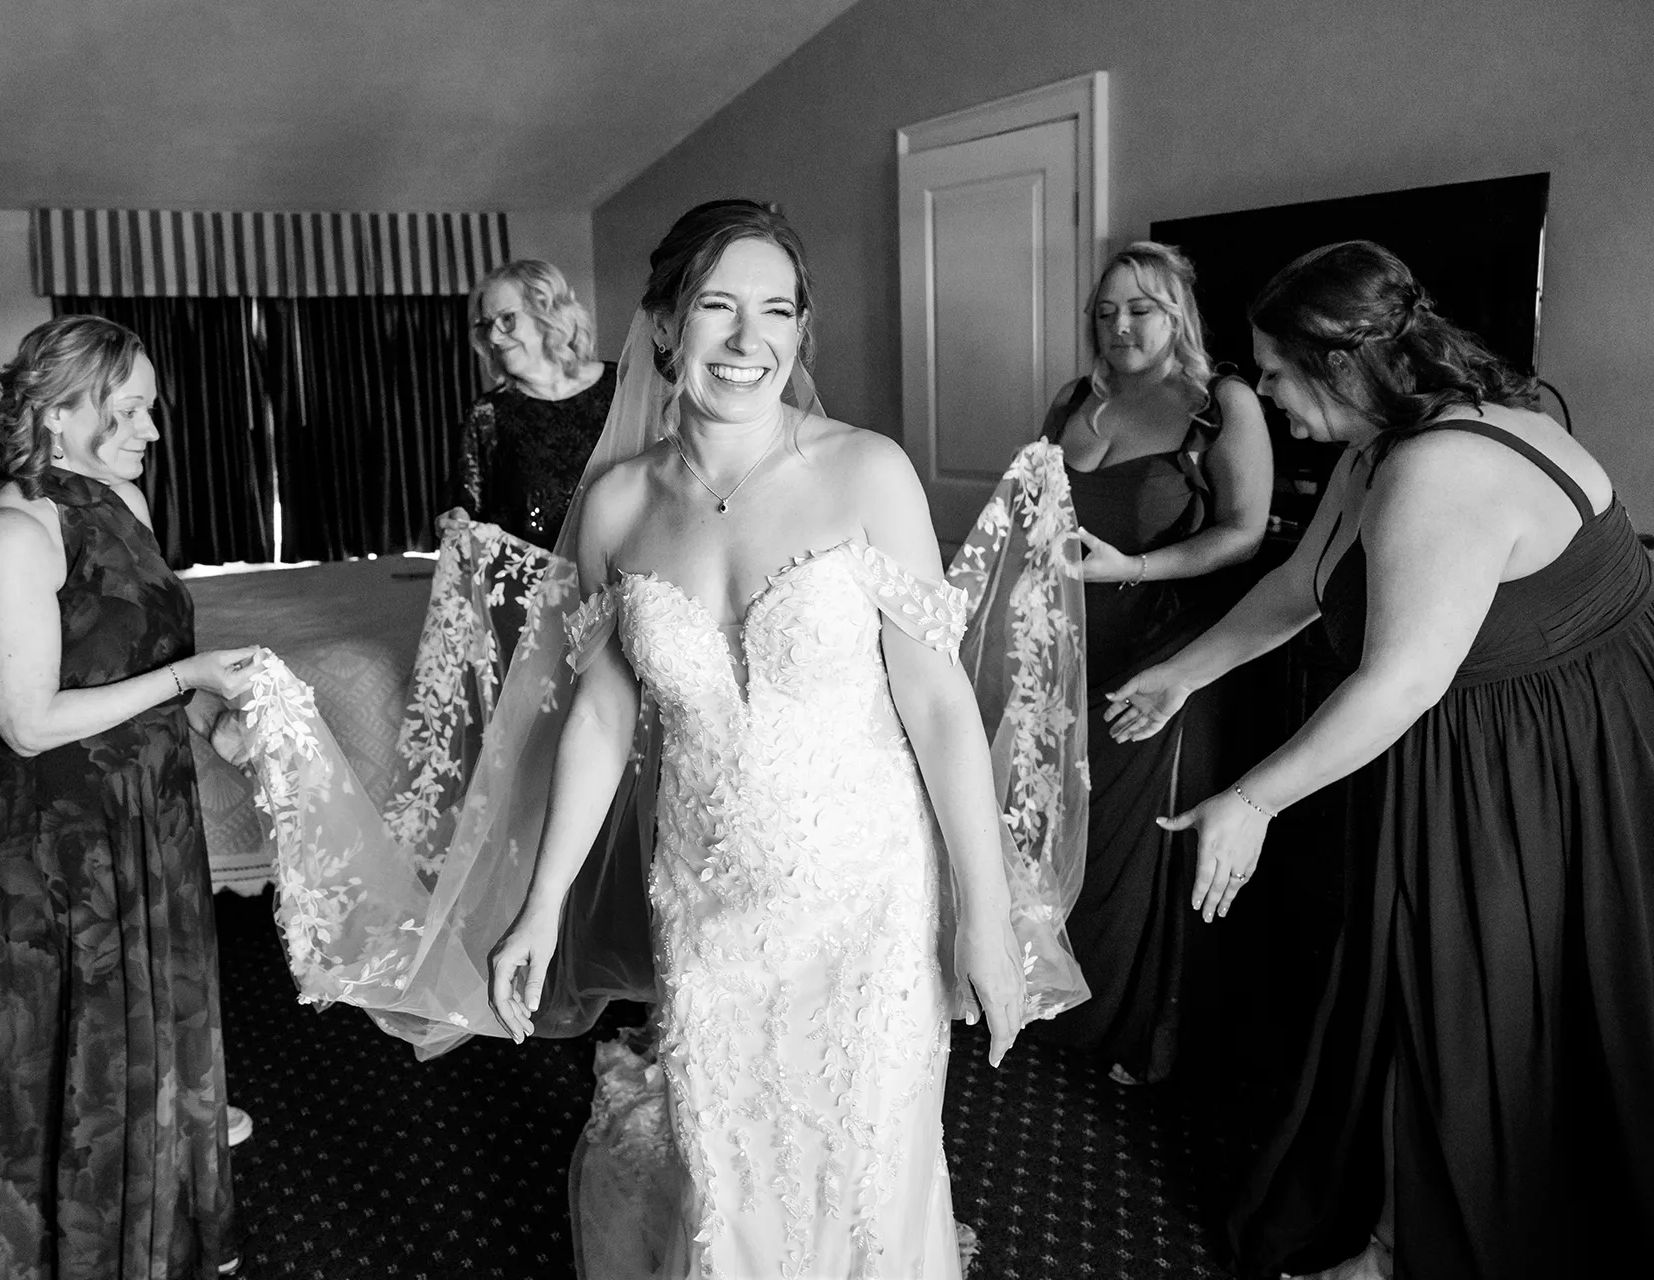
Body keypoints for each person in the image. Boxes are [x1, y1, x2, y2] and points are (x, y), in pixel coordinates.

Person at [485, 199, 1086, 1278]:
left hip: (867, 894)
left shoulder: (867, 472)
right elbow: (604, 711)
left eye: (775, 311)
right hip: (707, 900)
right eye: (717, 306)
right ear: (664, 326)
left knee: (866, 1168)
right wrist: (540, 904)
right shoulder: (618, 502)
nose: (748, 340)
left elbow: (942, 707)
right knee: (733, 1169)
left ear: (802, 332)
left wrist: (989, 921)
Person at [1107, 241, 1654, 1279]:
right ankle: (1396, 1235)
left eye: (1271, 371)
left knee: (1479, 1007)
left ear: (1340, 362)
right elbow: (1307, 586)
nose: (1258, 392)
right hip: (1475, 736)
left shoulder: (1440, 470)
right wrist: (1185, 672)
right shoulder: (1378, 451)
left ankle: (1418, 1250)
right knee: (1421, 993)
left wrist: (1253, 798)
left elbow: (1401, 680)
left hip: (1549, 760)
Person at [0, 315, 260, 1279]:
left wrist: (213, 723)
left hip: (150, 812)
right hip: (59, 835)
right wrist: (188, 678)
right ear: (48, 405)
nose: (150, 431)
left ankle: (160, 1237)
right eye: (125, 411)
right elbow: (28, 720)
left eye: (149, 410)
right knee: (70, 1052)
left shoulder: (123, 499)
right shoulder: (11, 530)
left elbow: (148, 658)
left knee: (157, 1032)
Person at [1020, 242, 1271, 1085]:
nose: (1119, 326)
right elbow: (1032, 506)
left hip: (1159, 649)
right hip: (1061, 642)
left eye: (1141, 308)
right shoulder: (1073, 400)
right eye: (1104, 311)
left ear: (1179, 313)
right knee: (1052, 819)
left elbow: (1242, 534)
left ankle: (1125, 1028)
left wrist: (1132, 568)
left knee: (1126, 836)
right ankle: (1044, 995)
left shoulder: (1219, 405)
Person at [453, 258, 613, 549]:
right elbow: (467, 507)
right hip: (534, 591)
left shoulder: (622, 387)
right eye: (486, 325)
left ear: (548, 312)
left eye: (507, 319)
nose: (493, 337)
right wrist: (456, 520)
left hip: (623, 582)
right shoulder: (487, 415)